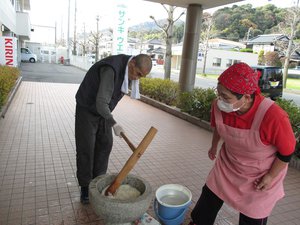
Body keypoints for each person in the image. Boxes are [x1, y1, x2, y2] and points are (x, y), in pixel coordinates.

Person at [190, 63, 296, 225]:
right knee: (207, 202)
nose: (220, 100)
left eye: (225, 97)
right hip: (228, 166)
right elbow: (219, 126)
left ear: (246, 97)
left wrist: (270, 176)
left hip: (260, 176)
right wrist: (214, 145)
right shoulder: (219, 106)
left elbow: (287, 152)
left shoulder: (273, 116)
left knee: (252, 218)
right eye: (219, 94)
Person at [75, 54, 152, 204]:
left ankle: (97, 182)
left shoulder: (128, 73)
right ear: (132, 64)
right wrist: (114, 123)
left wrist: (109, 120)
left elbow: (105, 104)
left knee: (105, 144)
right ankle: (85, 187)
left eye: (141, 76)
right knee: (86, 149)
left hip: (103, 111)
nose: (137, 78)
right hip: (87, 108)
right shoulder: (111, 69)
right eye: (138, 74)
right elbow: (101, 103)